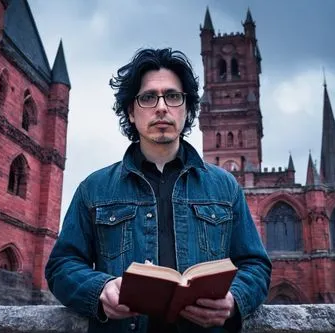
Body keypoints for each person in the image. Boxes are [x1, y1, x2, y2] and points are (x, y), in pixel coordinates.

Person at [45, 48, 272, 333]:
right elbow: (61, 265)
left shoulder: (225, 188)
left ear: (187, 108)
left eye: (173, 96)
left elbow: (256, 265)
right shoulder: (94, 188)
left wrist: (234, 299)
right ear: (131, 110)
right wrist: (100, 290)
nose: (162, 107)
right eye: (148, 97)